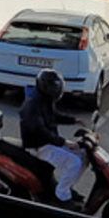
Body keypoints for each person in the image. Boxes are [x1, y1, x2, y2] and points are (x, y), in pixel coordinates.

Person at [19, 69, 85, 206]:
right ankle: (61, 195)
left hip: (47, 143)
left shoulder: (43, 99)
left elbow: (53, 116)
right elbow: (41, 131)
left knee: (83, 155)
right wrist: (64, 142)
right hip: (39, 147)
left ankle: (66, 188)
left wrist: (74, 120)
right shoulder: (32, 105)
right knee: (74, 163)